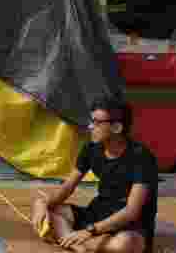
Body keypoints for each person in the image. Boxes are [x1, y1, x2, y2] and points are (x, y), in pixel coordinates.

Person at [30, 97, 158, 253]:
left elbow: (131, 211)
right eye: (91, 121)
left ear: (117, 127)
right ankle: (78, 243)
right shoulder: (91, 148)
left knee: (125, 244)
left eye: (97, 123)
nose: (90, 127)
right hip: (97, 213)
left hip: (129, 223)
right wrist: (42, 204)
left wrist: (89, 231)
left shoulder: (141, 157)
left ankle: (70, 239)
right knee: (49, 212)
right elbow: (68, 187)